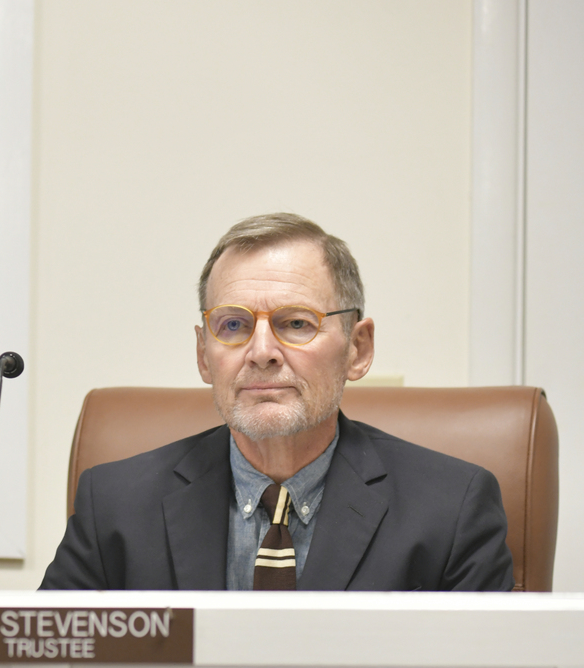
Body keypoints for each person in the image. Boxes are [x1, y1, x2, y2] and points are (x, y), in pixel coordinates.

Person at [41, 213, 514, 591]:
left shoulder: (451, 510)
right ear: (203, 356)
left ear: (358, 349)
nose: (261, 352)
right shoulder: (116, 505)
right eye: (232, 325)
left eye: (295, 323)